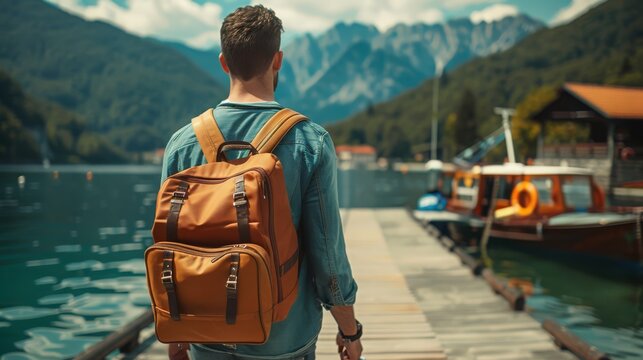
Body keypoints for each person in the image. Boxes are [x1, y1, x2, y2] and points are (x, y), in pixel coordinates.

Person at [160, 5, 362, 360]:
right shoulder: (310, 142)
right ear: (278, 59)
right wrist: (350, 330)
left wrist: (177, 335)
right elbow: (328, 253)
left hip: (206, 333)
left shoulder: (182, 144)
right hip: (284, 338)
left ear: (223, 62)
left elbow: (170, 244)